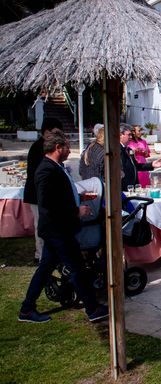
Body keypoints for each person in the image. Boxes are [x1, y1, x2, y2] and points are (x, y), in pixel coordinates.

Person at [18, 130, 108, 323]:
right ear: (58, 148)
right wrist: (75, 211)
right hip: (57, 230)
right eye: (67, 147)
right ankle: (92, 308)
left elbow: (61, 195)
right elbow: (48, 203)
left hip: (58, 230)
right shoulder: (45, 170)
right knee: (77, 268)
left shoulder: (56, 167)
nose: (69, 150)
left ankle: (26, 309)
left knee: (45, 269)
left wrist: (80, 198)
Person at [24, 117, 63, 261]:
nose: (57, 136)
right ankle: (40, 254)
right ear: (46, 132)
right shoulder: (38, 148)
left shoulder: (47, 146)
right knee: (40, 224)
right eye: (55, 133)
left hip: (43, 193)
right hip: (36, 194)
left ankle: (47, 252)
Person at [120, 124, 161, 190]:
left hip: (133, 186)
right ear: (120, 135)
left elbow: (136, 166)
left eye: (131, 135)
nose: (131, 137)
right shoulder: (117, 151)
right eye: (129, 135)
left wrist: (151, 165)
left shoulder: (128, 149)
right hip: (123, 188)